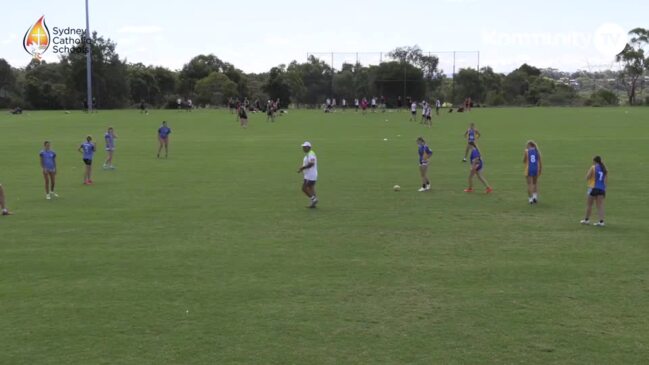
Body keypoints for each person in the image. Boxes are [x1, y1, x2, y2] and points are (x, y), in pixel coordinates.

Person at [581, 156, 608, 227]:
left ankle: (586, 220)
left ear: (595, 161)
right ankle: (601, 222)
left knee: (589, 205)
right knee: (600, 206)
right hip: (602, 189)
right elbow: (605, 181)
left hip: (593, 188)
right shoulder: (604, 169)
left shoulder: (593, 167)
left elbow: (587, 177)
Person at [297, 141, 318, 208]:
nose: (303, 148)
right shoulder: (309, 153)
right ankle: (313, 202)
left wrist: (302, 168)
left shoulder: (311, 154)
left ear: (309, 147)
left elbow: (312, 163)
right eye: (303, 147)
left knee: (304, 188)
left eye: (305, 147)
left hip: (310, 175)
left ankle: (314, 199)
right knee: (311, 188)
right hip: (309, 175)